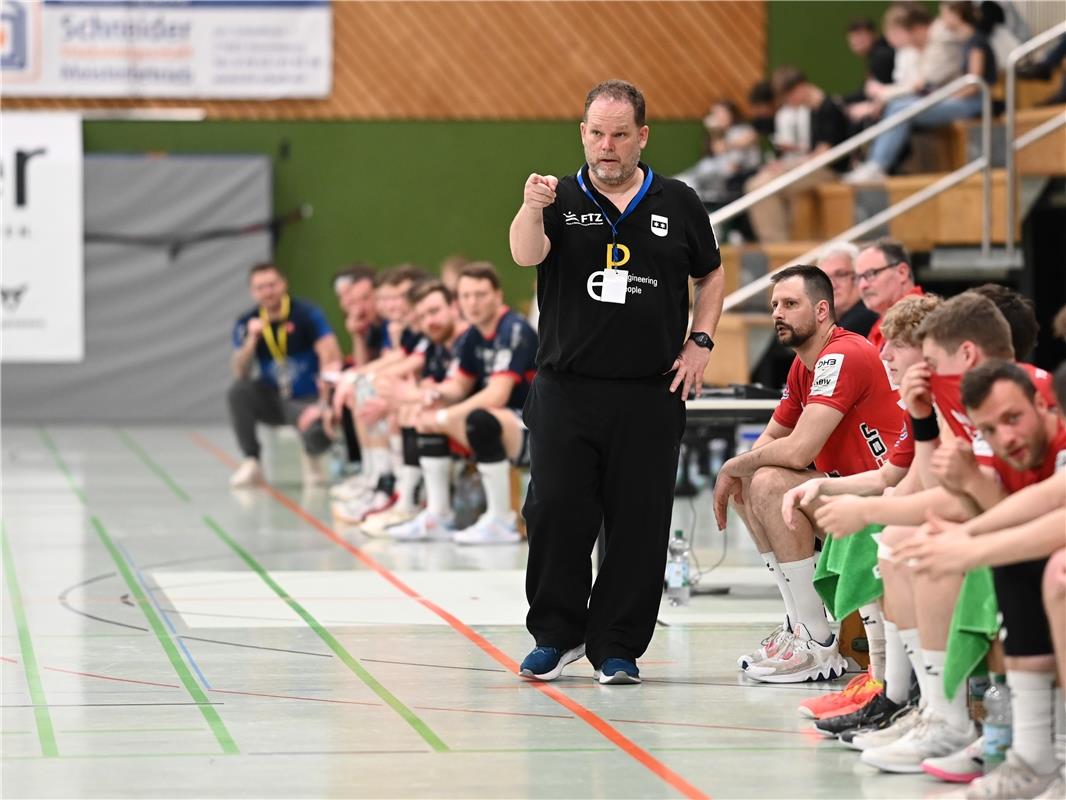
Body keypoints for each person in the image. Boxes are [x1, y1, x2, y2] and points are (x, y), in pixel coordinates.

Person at [508, 79, 724, 685]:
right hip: (565, 389)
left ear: (642, 136)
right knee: (554, 511)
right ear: (583, 134)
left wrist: (700, 342)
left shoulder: (679, 201)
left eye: (620, 134)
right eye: (597, 133)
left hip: (649, 393)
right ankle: (556, 634)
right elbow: (526, 256)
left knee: (639, 521)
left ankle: (618, 646)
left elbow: (711, 276)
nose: (607, 146)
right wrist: (529, 205)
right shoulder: (556, 194)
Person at [711, 265, 903, 683]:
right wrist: (737, 474)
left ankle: (817, 642)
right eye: (775, 304)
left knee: (767, 480)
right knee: (752, 480)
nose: (778, 312)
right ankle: (798, 623)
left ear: (821, 311)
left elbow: (799, 449)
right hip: (847, 495)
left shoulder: (842, 354)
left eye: (790, 304)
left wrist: (731, 466)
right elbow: (770, 439)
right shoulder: (804, 365)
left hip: (883, 499)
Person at [387, 262, 538, 545]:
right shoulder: (472, 336)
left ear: (497, 295)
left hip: (534, 428)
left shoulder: (514, 329)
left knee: (479, 418)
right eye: (466, 296)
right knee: (428, 413)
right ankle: (438, 514)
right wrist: (434, 396)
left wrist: (445, 417)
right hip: (505, 422)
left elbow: (497, 395)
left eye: (480, 295)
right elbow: (459, 385)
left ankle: (502, 520)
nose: (473, 303)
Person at [846, 1, 995, 184]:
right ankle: (874, 163)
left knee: (902, 109)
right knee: (897, 105)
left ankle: (878, 164)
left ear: (958, 15)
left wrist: (945, 95)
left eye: (945, 14)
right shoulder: (959, 40)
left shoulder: (973, 41)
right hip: (956, 97)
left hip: (972, 101)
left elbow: (974, 84)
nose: (941, 20)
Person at [228, 262, 342, 487]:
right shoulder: (247, 321)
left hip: (305, 398)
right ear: (253, 292)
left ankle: (312, 456)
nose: (267, 292)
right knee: (238, 392)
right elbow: (239, 371)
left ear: (284, 284)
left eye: (272, 285)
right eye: (260, 287)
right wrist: (252, 340)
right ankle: (252, 461)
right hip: (272, 398)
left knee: (318, 428)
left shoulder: (306, 314)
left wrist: (323, 402)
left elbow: (331, 354)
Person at [745, 67, 850, 243]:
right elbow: (812, 151)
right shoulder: (812, 111)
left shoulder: (829, 108)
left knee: (759, 187)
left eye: (788, 97)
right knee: (755, 184)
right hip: (815, 167)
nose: (788, 102)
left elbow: (823, 154)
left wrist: (788, 166)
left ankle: (777, 245)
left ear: (800, 88)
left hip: (829, 171)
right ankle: (776, 243)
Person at [673, 100, 762, 207]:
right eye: (714, 114)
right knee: (681, 181)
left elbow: (732, 163)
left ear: (730, 114)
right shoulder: (720, 134)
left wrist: (723, 141)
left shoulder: (742, 130)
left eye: (720, 113)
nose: (716, 117)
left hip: (736, 179)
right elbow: (716, 151)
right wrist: (714, 132)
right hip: (710, 177)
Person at [855, 238, 923, 352]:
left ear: (902, 272)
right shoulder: (879, 324)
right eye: (858, 278)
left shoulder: (923, 320)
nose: (863, 285)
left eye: (871, 274)